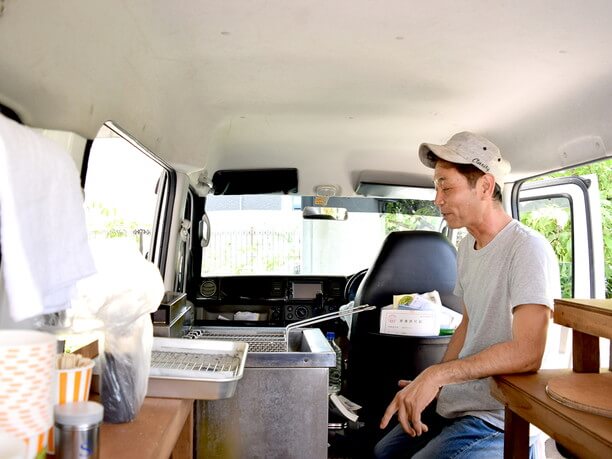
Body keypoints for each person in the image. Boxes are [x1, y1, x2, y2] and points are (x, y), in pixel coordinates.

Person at [373, 131, 560, 458]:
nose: (437, 199)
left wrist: (437, 374)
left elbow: (529, 351)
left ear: (485, 187)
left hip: (499, 415)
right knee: (383, 453)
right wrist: (435, 384)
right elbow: (468, 323)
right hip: (460, 402)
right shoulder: (466, 248)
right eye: (436, 187)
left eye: (446, 186)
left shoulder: (527, 248)